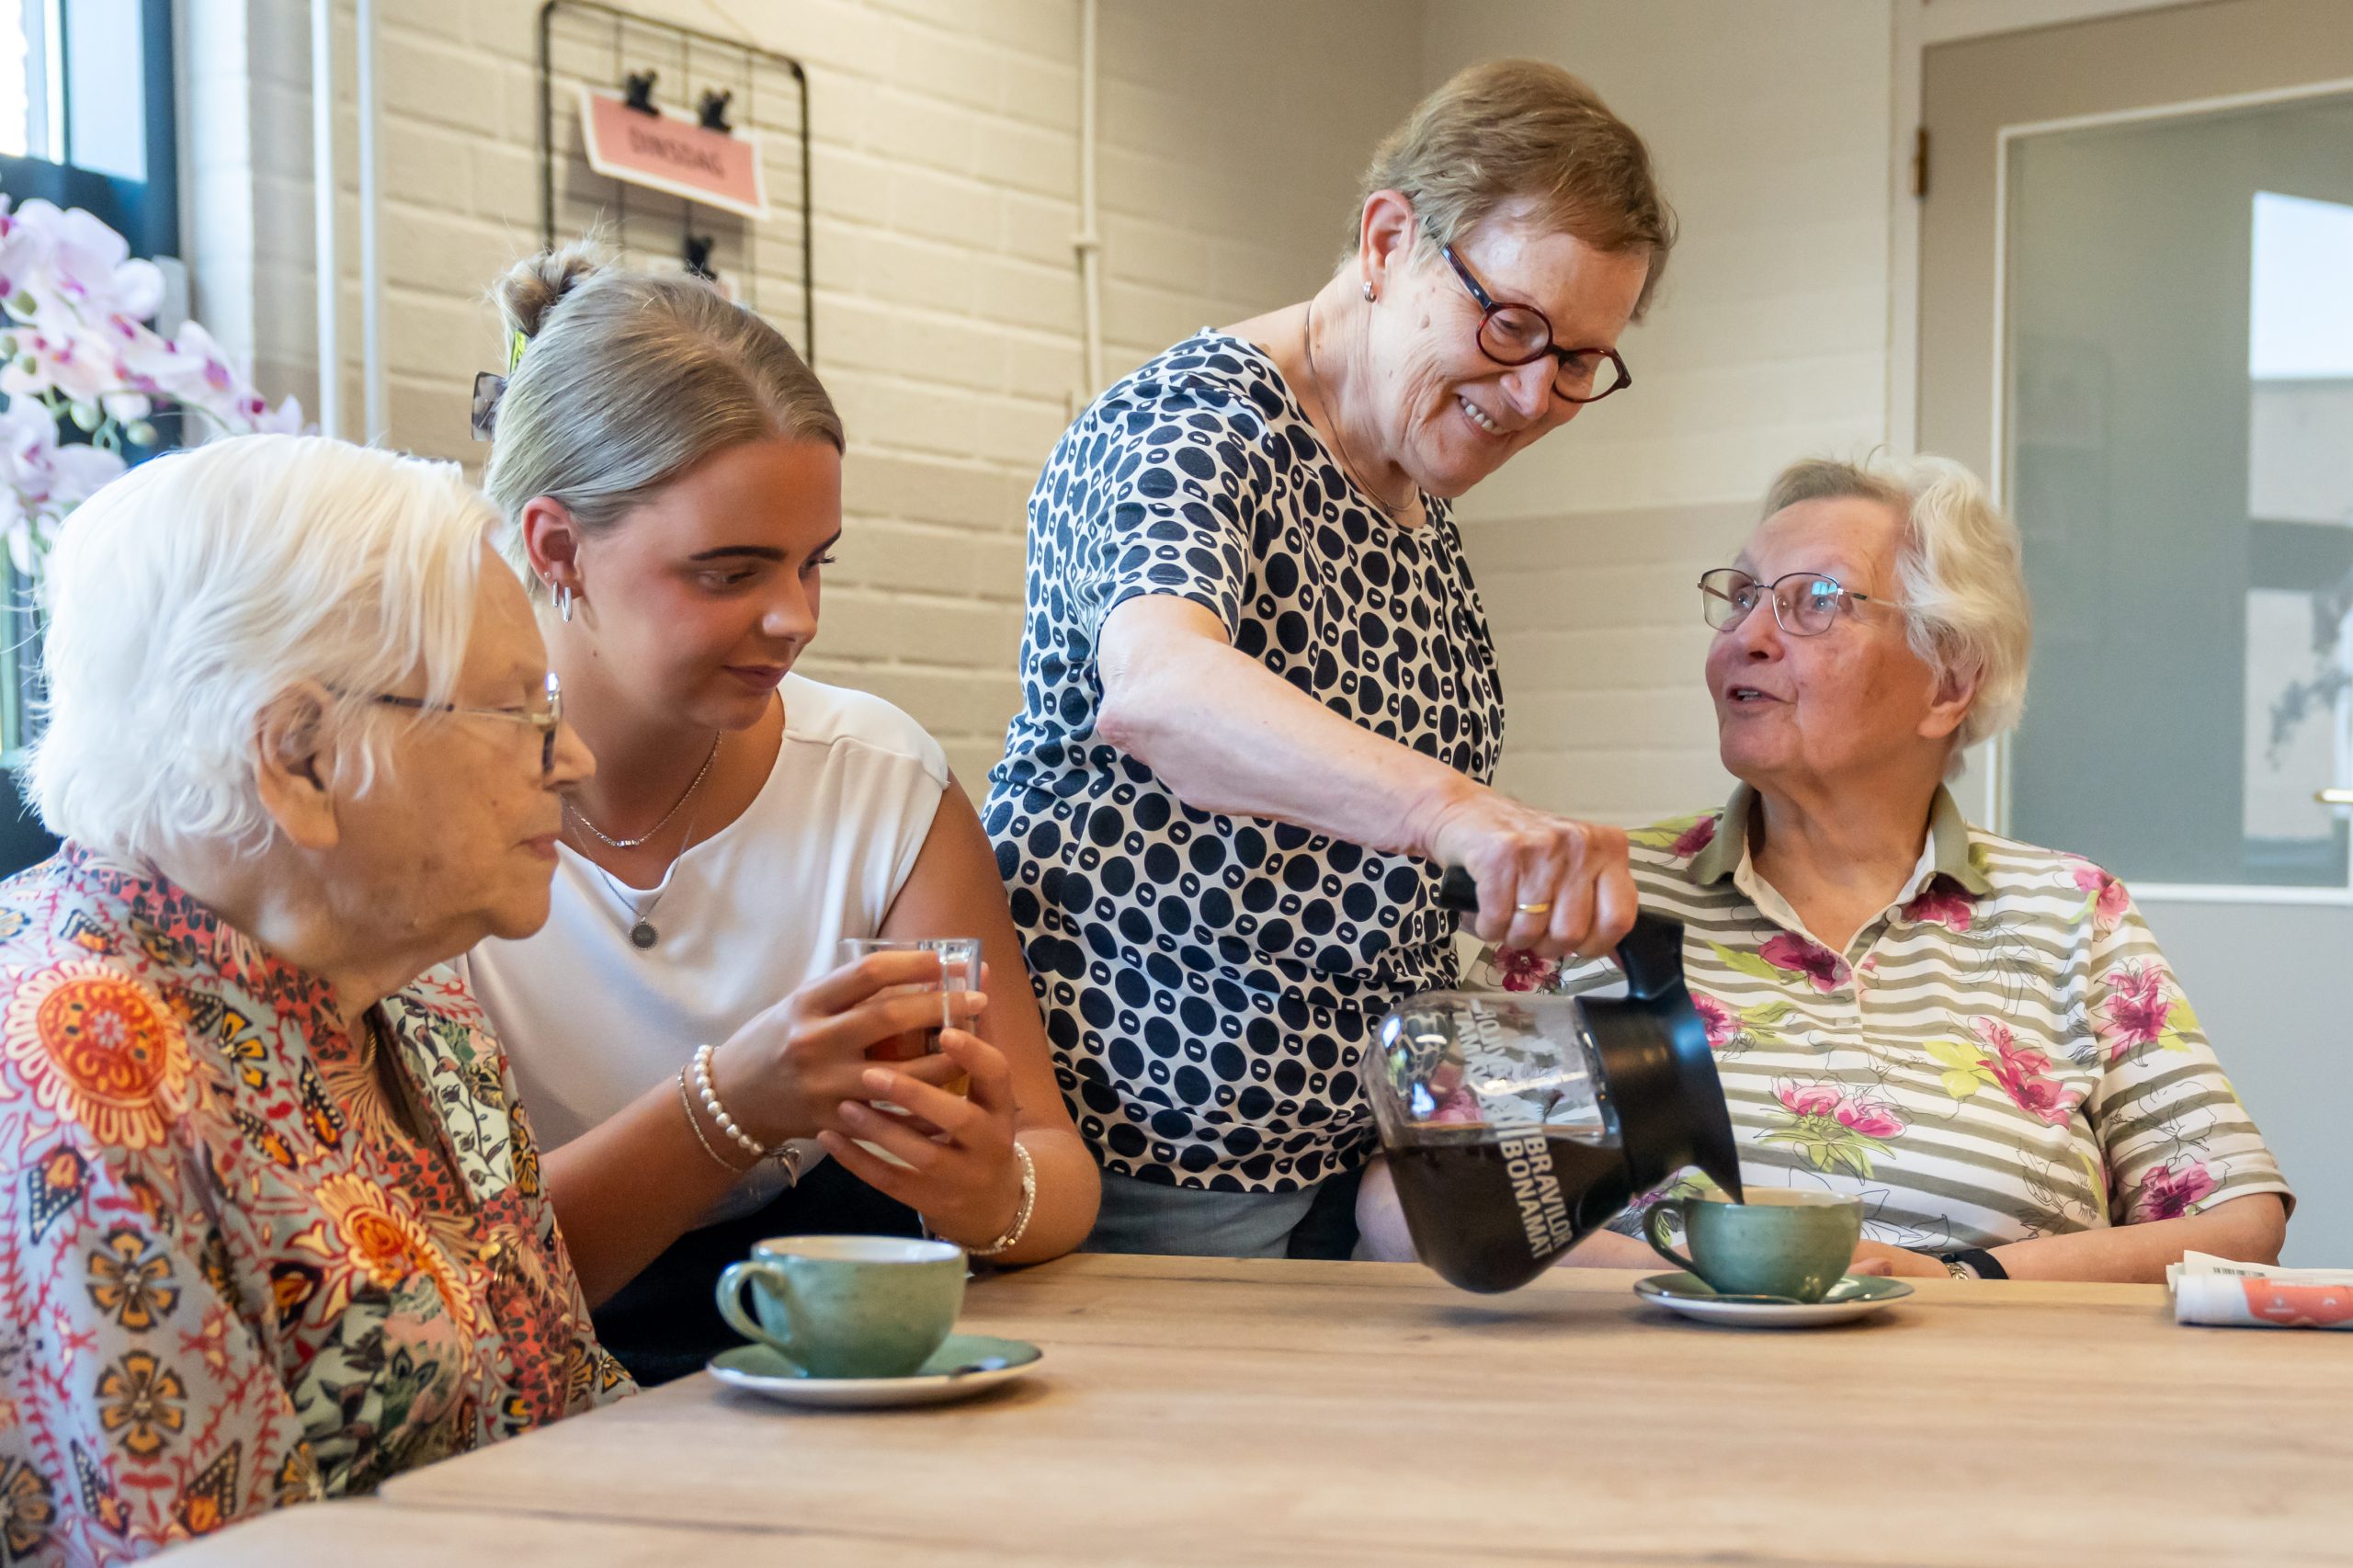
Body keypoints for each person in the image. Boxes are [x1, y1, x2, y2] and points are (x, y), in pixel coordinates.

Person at [983, 59, 1675, 1258]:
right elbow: (1160, 690)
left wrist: (1517, 905)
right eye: (1511, 324)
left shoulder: (1412, 498)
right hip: (1160, 1181)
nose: (1529, 395)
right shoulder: (1194, 429)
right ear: (1388, 238)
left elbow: (1374, 875)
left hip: (1362, 1166)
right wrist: (1459, 811)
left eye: (1577, 362)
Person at [1360, 455, 2290, 1282]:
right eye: (1741, 597)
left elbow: (2235, 1221)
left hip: (1982, 1410)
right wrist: (1727, 1272)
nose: (1746, 637)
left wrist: (1953, 1279)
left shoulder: (2069, 911)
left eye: (1813, 601)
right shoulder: (1606, 895)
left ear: (1949, 680)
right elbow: (1409, 1198)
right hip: (1655, 1398)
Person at [461, 246, 1097, 1384]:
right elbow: (443, 1268)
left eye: (815, 564)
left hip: (838, 1379)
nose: (794, 617)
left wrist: (995, 1194)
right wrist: (730, 1103)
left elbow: (1057, 1164)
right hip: (532, 1394)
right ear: (557, 546)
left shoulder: (875, 779)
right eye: (729, 571)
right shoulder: (427, 809)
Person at [0, 436, 627, 1560]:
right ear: (299, 756)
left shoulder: (423, 1007)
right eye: (520, 712)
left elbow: (570, 1407)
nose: (573, 758)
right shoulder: (82, 1061)